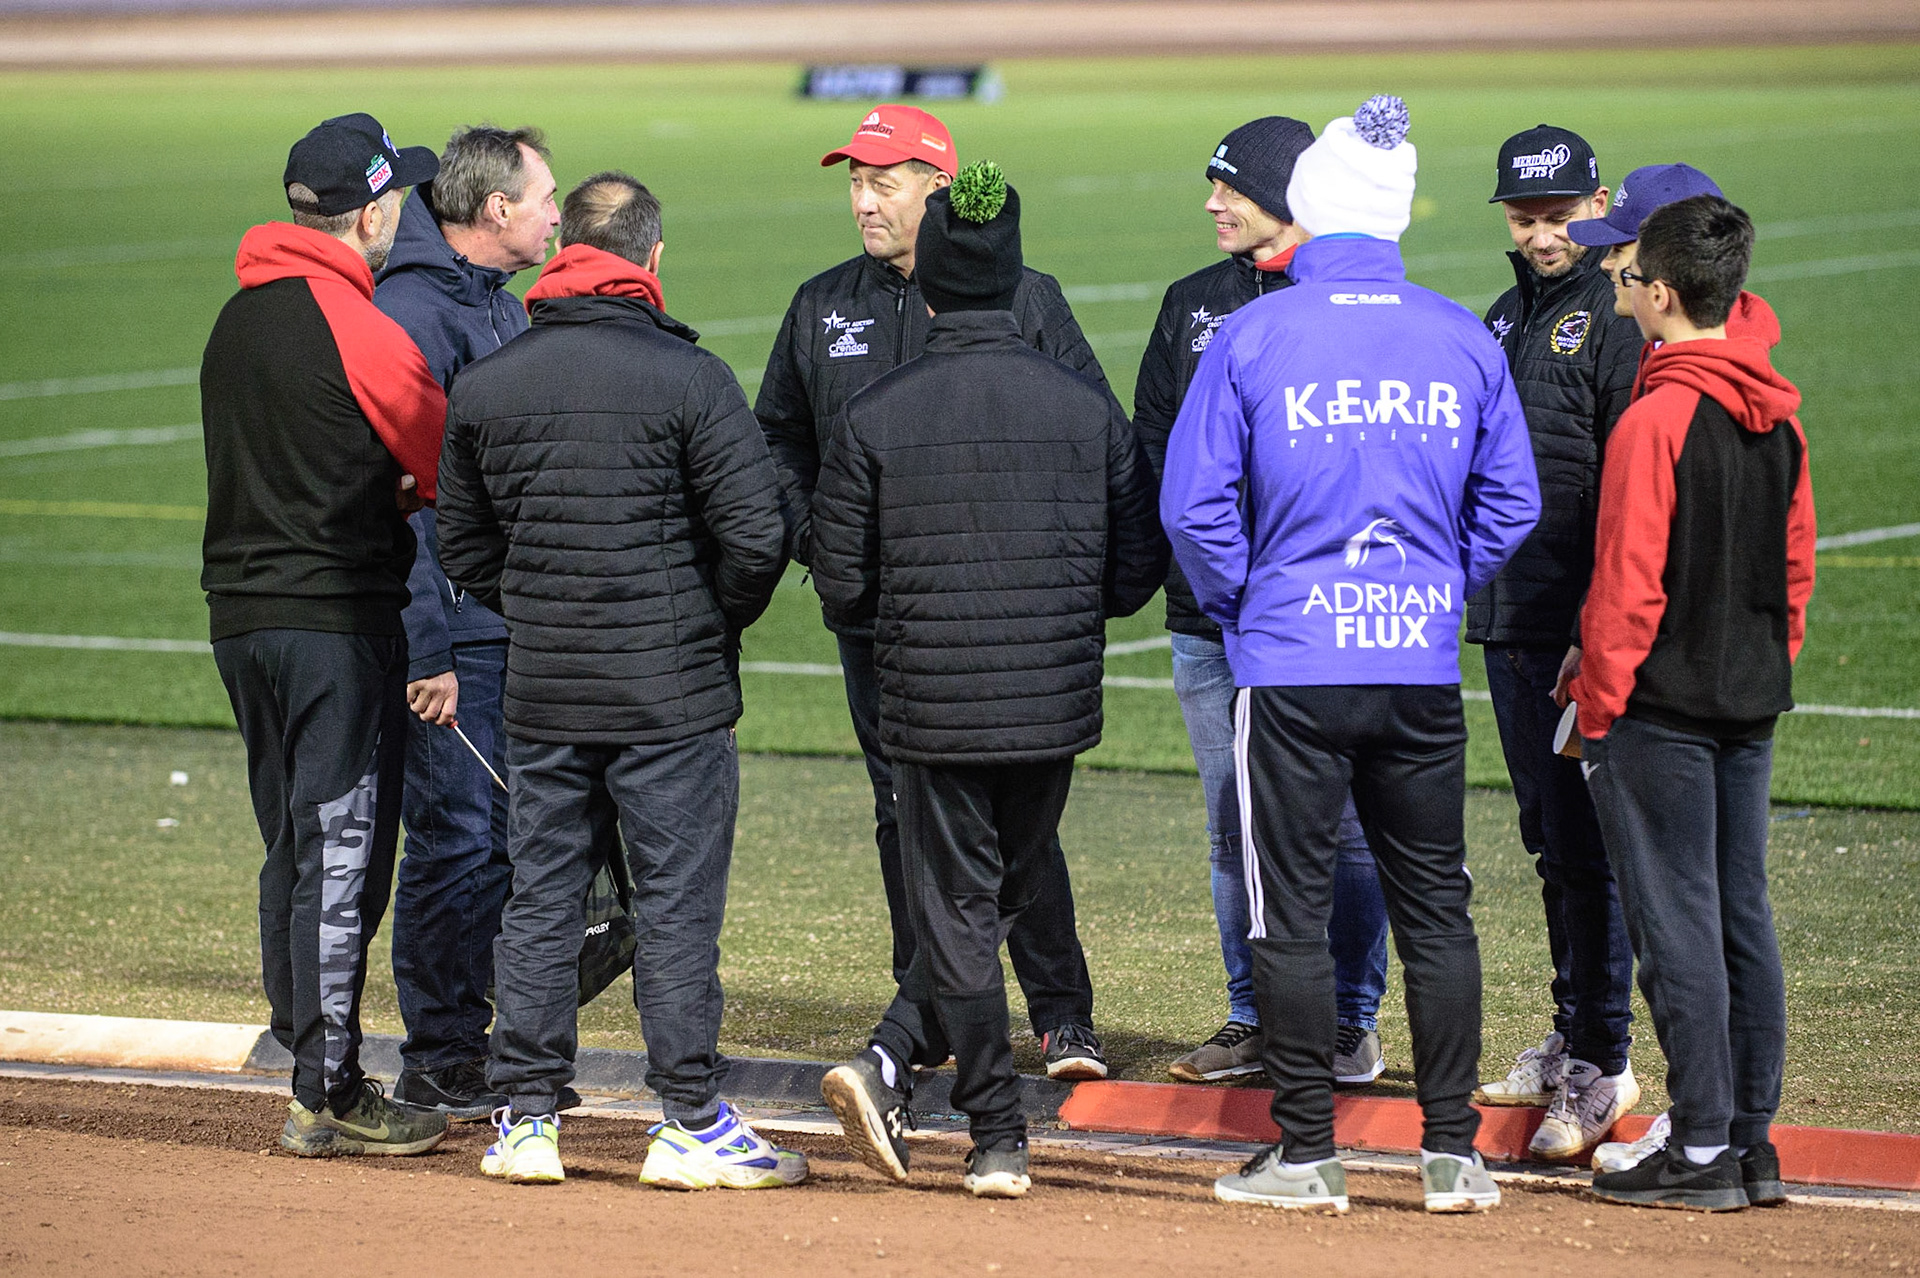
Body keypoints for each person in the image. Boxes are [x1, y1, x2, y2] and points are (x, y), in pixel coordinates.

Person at [1163, 96, 1540, 1215]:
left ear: (1313, 209)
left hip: (1288, 664)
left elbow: (1194, 510)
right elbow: (1513, 501)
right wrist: (1434, 588)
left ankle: (1307, 1154)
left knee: (1289, 908)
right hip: (1417, 665)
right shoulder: (1461, 332)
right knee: (1437, 906)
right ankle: (1452, 1154)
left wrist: (1250, 605)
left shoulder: (1253, 331)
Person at [435, 172, 804, 1190]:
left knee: (544, 900)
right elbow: (757, 537)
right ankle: (687, 1116)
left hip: (548, 690)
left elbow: (460, 544)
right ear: (650, 259)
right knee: (676, 906)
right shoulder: (690, 379)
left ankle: (525, 1119)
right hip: (671, 696)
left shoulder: (494, 379)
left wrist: (548, 607)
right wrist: (702, 618)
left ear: (564, 256)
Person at [813, 160, 1168, 1198]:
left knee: (964, 908)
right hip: (1052, 707)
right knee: (1001, 890)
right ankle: (922, 1078)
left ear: (927, 292)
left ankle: (993, 1136)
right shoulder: (1083, 410)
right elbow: (1137, 567)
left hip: (927, 706)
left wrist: (912, 622)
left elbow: (840, 584)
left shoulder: (875, 413)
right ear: (1016, 287)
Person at [757, 103, 1114, 1080]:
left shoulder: (1026, 300)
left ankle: (1060, 1013)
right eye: (855, 181)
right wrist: (816, 537)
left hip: (998, 617)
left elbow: (1096, 436)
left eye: (883, 180)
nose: (863, 200)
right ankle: (934, 1009)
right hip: (878, 616)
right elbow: (777, 439)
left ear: (939, 186)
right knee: (899, 812)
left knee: (1012, 816)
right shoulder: (822, 303)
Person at [200, 112, 450, 1157]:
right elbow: (439, 457)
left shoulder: (235, 316)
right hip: (333, 623)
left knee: (294, 847)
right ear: (376, 209)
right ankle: (329, 1091)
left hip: (240, 619)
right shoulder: (360, 324)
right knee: (342, 852)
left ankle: (305, 1045)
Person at [1134, 114, 1392, 1088]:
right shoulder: (1188, 304)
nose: (1211, 204)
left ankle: (1348, 1022)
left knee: (1349, 825)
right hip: (1210, 621)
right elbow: (1155, 445)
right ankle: (1253, 1017)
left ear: (1286, 196)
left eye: (1229, 188)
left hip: (1322, 618)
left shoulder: (1349, 301)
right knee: (1230, 824)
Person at [1574, 195, 1813, 1212]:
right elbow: (1794, 572)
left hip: (1659, 711)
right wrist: (1763, 663)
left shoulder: (1657, 417)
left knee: (1676, 930)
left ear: (1662, 293)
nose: (1619, 293)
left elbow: (1628, 585)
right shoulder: (1781, 412)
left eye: (1627, 280)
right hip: (1748, 702)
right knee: (1741, 919)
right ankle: (1751, 1145)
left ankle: (1704, 1145)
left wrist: (1598, 707)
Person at [373, 124, 560, 1120]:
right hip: (453, 638)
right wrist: (429, 647)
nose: (555, 216)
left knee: (495, 837)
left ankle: (470, 1040)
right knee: (453, 838)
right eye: (544, 199)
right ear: (496, 211)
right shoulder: (411, 313)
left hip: (504, 626)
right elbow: (392, 497)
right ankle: (441, 1052)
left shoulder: (495, 307)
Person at [1465, 125, 1643, 1163]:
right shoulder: (1501, 316)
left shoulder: (1612, 321)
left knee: (1588, 850)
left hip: (1577, 631)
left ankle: (1605, 1062)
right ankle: (1574, 1028)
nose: (1543, 236)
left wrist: (1598, 623)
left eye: (1561, 216)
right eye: (1526, 218)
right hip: (1506, 619)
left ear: (1598, 201)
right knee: (1548, 842)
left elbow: (1624, 487)